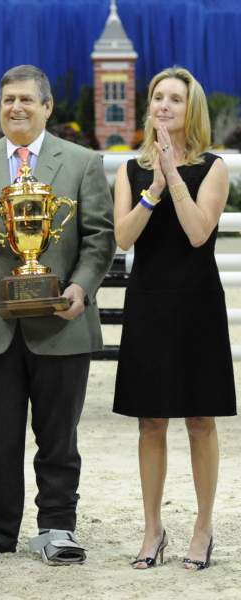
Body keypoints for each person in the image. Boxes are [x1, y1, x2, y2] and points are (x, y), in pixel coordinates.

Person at [0, 64, 115, 565]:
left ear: (47, 107)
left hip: (62, 318)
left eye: (26, 100)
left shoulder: (81, 162)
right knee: (0, 435)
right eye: (8, 99)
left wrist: (81, 287)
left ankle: (57, 527)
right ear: (0, 106)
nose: (16, 107)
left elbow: (101, 238)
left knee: (59, 436)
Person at [113, 66, 236, 571]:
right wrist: (152, 189)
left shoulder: (214, 167)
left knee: (201, 420)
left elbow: (198, 233)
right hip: (148, 300)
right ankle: (152, 530)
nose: (163, 105)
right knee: (150, 421)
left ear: (192, 111)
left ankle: (203, 530)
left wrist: (173, 179)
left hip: (197, 303)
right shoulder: (129, 170)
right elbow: (123, 238)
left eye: (174, 99)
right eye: (157, 97)